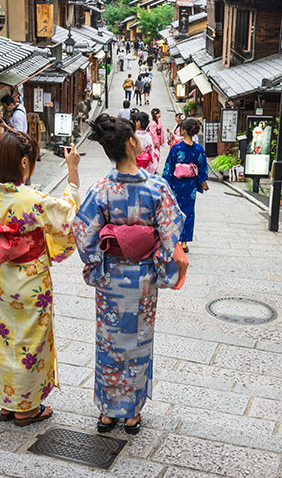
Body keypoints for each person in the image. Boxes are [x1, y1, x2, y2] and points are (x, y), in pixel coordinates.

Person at [72, 114, 185, 435]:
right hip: (144, 280)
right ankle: (132, 413)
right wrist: (156, 262)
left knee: (109, 343)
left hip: (110, 281)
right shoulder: (157, 188)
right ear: (132, 143)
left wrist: (98, 263)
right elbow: (169, 235)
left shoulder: (101, 191)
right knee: (137, 343)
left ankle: (108, 412)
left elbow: (83, 234)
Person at [0, 131, 82, 427]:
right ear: (23, 163)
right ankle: (27, 408)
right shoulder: (34, 199)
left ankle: (8, 403)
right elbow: (68, 215)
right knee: (32, 339)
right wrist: (72, 170)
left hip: (1, 282)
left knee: (4, 339)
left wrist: (1, 244)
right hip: (32, 282)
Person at [162, 118, 209, 252]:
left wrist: (165, 185)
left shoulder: (176, 148)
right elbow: (202, 167)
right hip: (190, 186)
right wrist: (202, 182)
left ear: (183, 130)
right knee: (188, 212)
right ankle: (184, 243)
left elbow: (169, 168)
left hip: (176, 184)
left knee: (175, 211)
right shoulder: (199, 149)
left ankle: (175, 239)